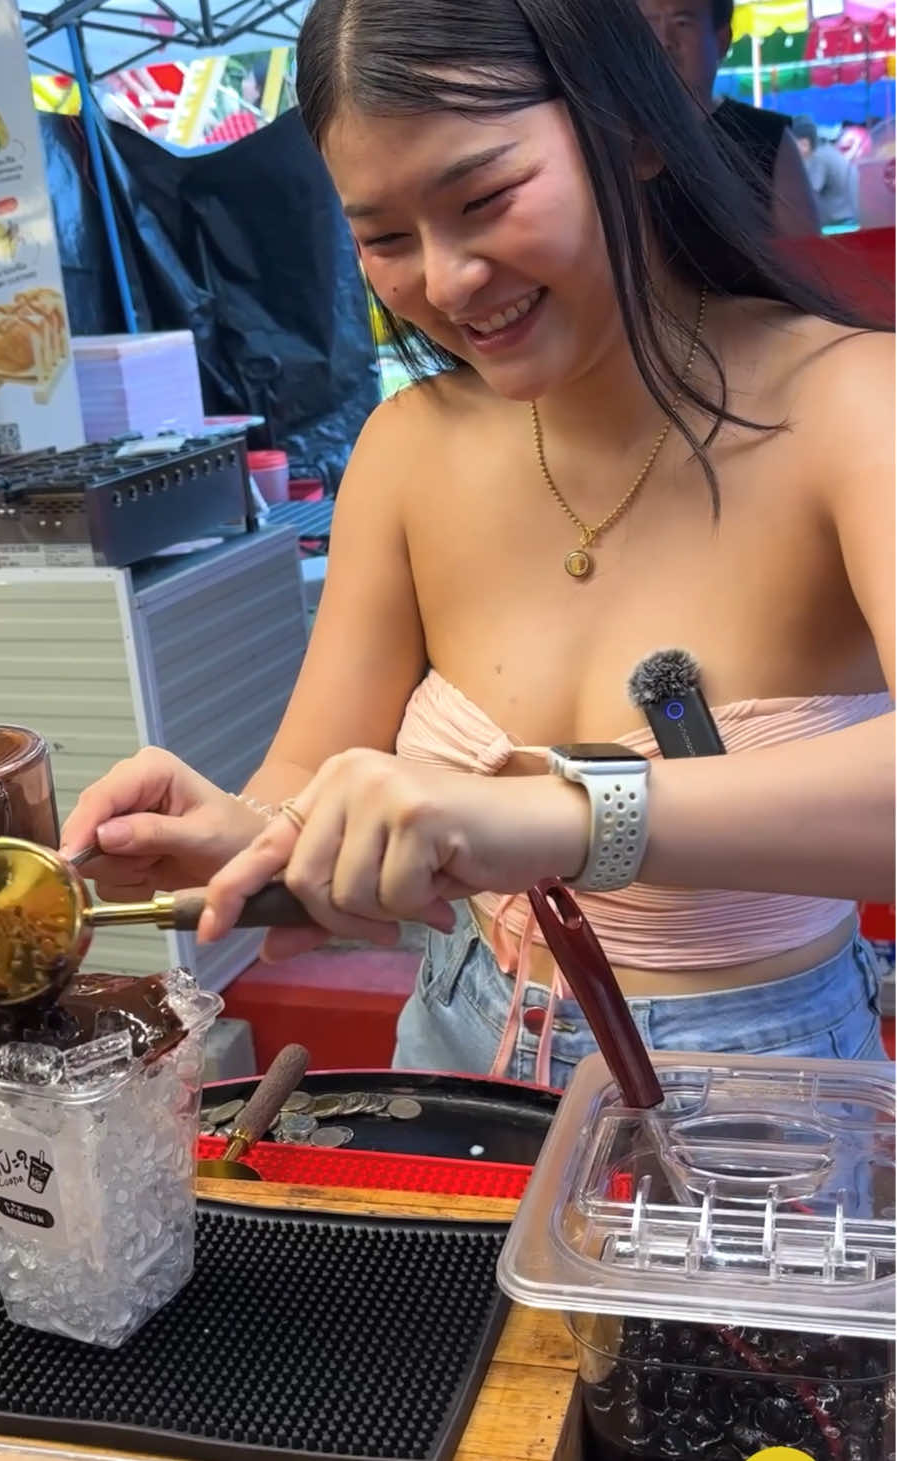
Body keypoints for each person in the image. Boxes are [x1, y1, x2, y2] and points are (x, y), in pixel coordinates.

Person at [62, 0, 893, 1089]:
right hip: (456, 1050)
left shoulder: (849, 407)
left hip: (756, 1097)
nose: (446, 281)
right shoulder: (410, 447)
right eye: (386, 239)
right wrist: (256, 835)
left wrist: (554, 817)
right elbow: (310, 766)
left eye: (485, 198)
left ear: (635, 130)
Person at [640, 0, 820, 238]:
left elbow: (808, 259)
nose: (664, 41)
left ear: (722, 40)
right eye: (649, 25)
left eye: (682, 23)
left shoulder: (768, 138)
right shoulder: (614, 141)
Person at [791, 115, 857, 230]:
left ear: (804, 144)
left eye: (791, 143)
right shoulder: (828, 151)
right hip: (850, 221)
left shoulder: (818, 158)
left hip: (839, 226)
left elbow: (806, 196)